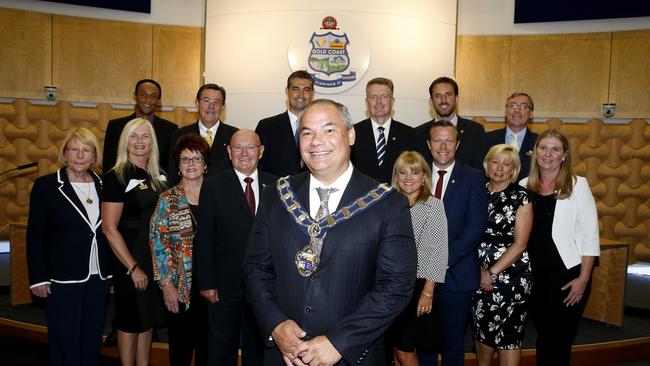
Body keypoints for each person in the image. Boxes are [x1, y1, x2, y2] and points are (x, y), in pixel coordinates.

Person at [243, 99, 417, 365]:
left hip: (353, 356)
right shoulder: (276, 195)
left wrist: (340, 341)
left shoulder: (388, 203)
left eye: (328, 130)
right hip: (283, 355)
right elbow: (255, 268)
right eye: (307, 132)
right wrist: (275, 324)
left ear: (350, 134)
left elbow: (395, 287)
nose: (316, 141)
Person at [27, 127, 111, 366]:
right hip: (62, 277)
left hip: (99, 275)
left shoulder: (104, 184)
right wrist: (38, 278)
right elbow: (35, 235)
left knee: (91, 333)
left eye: (87, 150)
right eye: (74, 149)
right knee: (64, 336)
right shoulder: (46, 186)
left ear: (94, 157)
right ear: (64, 153)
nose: (80, 155)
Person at [196, 129, 276, 365]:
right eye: (237, 148)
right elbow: (205, 238)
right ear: (229, 152)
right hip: (223, 285)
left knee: (258, 350)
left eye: (250, 147)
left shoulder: (278, 184)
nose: (244, 153)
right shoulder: (213, 186)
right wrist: (207, 282)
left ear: (260, 151)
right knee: (221, 348)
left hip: (264, 287)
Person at [522, 129, 599, 366]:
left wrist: (583, 280)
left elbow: (590, 235)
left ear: (564, 155)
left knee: (560, 340)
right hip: (534, 278)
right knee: (543, 337)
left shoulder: (578, 185)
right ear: (535, 153)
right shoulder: (524, 185)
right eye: (543, 148)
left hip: (568, 276)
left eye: (555, 149)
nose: (548, 154)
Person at [102, 118, 167, 366]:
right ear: (125, 142)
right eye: (133, 136)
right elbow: (109, 228)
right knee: (130, 320)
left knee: (146, 319)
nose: (140, 142)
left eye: (145, 136)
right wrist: (132, 267)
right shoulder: (116, 176)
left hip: (153, 258)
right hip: (129, 258)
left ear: (152, 142)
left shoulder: (159, 175)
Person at [421, 120, 487, 366]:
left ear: (457, 144)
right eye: (437, 140)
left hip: (457, 275)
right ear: (429, 144)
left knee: (452, 344)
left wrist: (440, 262)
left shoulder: (473, 178)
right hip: (420, 275)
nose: (443, 146)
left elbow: (474, 229)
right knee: (425, 342)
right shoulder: (416, 175)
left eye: (449, 140)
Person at [150, 133, 210, 366]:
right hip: (179, 284)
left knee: (209, 345)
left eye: (197, 159)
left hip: (211, 284)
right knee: (181, 347)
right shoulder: (168, 199)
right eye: (185, 159)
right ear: (178, 165)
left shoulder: (216, 194)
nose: (191, 164)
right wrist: (166, 286)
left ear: (205, 164)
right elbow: (158, 245)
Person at [470, 144, 533, 366]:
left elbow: (520, 244)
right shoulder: (476, 191)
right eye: (495, 161)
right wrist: (479, 270)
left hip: (512, 278)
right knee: (482, 331)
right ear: (487, 165)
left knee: (509, 337)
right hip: (476, 274)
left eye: (507, 164)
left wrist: (492, 272)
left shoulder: (522, 196)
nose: (500, 168)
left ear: (514, 170)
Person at [389, 151, 448, 366]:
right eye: (402, 172)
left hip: (418, 288)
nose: (408, 177)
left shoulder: (433, 206)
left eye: (415, 172)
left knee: (406, 349)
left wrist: (428, 292)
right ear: (396, 176)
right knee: (394, 348)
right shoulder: (388, 203)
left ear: (424, 176)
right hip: (389, 286)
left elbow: (438, 251)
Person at [167, 83, 238, 185]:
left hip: (223, 197)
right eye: (206, 101)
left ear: (222, 107)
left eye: (216, 102)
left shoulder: (234, 136)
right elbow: (173, 174)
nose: (211, 106)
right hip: (189, 197)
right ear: (197, 103)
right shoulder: (179, 135)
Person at [351, 77, 418, 184]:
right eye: (373, 97)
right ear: (366, 102)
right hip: (361, 199)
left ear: (392, 101)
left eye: (384, 97)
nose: (379, 102)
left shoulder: (411, 135)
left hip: (398, 198)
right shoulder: (352, 133)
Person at [103, 79, 178, 173]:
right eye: (143, 94)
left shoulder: (171, 130)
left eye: (153, 96)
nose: (148, 99)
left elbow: (171, 168)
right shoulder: (116, 127)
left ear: (159, 101)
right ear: (135, 96)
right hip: (122, 185)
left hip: (159, 185)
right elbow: (108, 165)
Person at [416, 77, 486, 170]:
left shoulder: (475, 131)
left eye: (448, 95)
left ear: (456, 98)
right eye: (437, 95)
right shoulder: (418, 133)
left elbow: (480, 171)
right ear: (431, 100)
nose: (443, 100)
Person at [256, 70, 314, 177]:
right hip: (277, 191)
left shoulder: (321, 127)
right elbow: (258, 168)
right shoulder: (267, 127)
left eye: (306, 90)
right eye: (295, 89)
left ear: (312, 93)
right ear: (287, 91)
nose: (301, 95)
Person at [484, 93, 539, 181]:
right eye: (513, 106)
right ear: (506, 111)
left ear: (531, 113)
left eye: (523, 107)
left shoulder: (539, 142)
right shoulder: (487, 139)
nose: (517, 110)